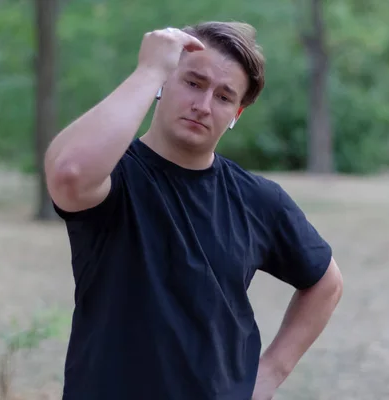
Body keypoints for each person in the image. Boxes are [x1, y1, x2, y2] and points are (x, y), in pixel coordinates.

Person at [44, 21, 343, 400]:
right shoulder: (114, 176)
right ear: (165, 82)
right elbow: (69, 173)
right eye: (193, 83)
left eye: (223, 97)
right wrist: (149, 69)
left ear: (237, 113)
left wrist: (270, 372)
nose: (203, 106)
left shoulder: (259, 200)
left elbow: (326, 284)